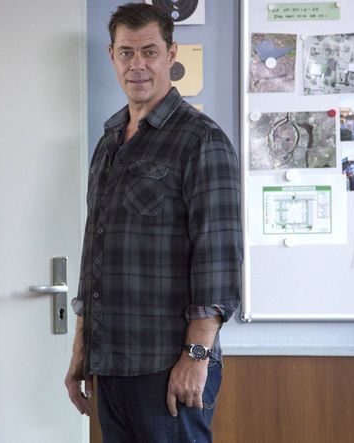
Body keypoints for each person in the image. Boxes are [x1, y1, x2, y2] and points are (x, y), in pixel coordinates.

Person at [65, 3, 243, 442]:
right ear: (111, 55)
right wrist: (82, 347)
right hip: (111, 365)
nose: (137, 65)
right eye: (127, 53)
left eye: (149, 51)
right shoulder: (109, 142)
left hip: (168, 368)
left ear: (171, 54)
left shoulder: (201, 140)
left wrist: (196, 356)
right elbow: (95, 252)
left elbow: (219, 258)